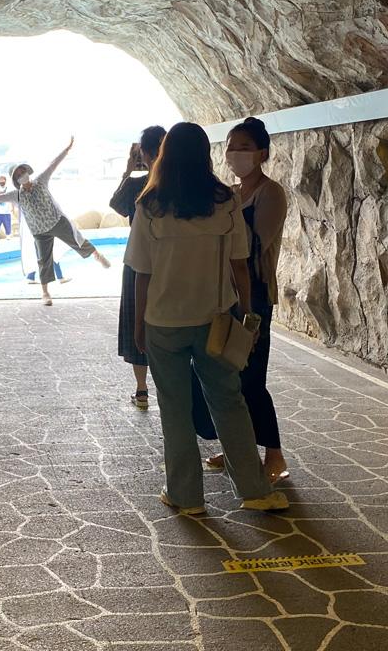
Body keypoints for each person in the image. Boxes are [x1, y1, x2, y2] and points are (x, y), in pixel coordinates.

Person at [125, 121, 288, 515]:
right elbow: (240, 265)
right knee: (229, 401)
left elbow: (141, 274)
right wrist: (246, 312)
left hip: (164, 321)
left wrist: (138, 324)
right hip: (214, 318)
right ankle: (253, 490)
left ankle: (186, 496)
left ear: (165, 156)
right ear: (205, 155)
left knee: (176, 408)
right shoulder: (224, 201)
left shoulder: (150, 205)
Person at [192, 117, 289, 481]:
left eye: (244, 147)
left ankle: (274, 454)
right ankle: (238, 447)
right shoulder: (231, 193)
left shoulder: (270, 193)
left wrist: (229, 212)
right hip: (226, 294)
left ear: (261, 153)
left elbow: (253, 245)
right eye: (231, 146)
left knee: (251, 377)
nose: (235, 154)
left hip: (257, 294)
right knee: (227, 375)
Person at [0, 137, 110, 306]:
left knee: (77, 240)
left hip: (57, 221)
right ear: (15, 179)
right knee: (43, 260)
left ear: (27, 171)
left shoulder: (41, 181)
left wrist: (67, 148)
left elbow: (53, 164)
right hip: (39, 232)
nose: (22, 175)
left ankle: (97, 256)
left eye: (22, 172)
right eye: (18, 175)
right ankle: (45, 293)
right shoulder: (16, 195)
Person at [110, 125, 166, 409]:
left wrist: (128, 170)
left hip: (138, 261)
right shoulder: (178, 183)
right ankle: (156, 388)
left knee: (137, 324)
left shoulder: (138, 186)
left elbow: (117, 205)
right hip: (169, 262)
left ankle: (142, 389)